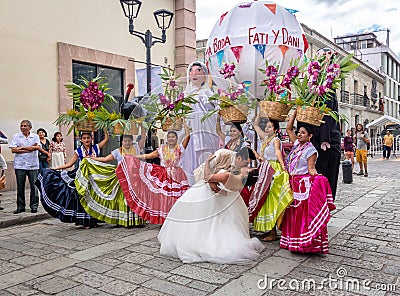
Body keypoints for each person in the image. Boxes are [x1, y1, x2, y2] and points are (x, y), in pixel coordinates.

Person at [158, 153, 264, 264]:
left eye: (248, 168)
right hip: (221, 198)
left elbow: (207, 177)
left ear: (246, 175)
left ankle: (194, 242)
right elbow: (225, 192)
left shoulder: (228, 176)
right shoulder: (240, 183)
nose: (246, 167)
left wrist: (208, 163)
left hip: (206, 193)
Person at [280, 110, 336, 254]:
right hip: (293, 183)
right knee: (292, 213)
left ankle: (306, 244)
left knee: (301, 215)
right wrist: (295, 113)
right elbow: (288, 129)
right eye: (299, 132)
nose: (299, 134)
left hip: (302, 185)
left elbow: (311, 169)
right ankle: (295, 242)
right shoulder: (298, 145)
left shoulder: (311, 150)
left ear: (310, 136)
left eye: (303, 133)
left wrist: (319, 178)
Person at [116, 124, 191, 224]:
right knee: (164, 198)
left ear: (176, 138)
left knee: (178, 198)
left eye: (173, 137)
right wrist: (134, 157)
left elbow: (187, 137)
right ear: (167, 139)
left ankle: (178, 219)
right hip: (165, 176)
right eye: (169, 137)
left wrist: (185, 124)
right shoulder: (161, 150)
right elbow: (148, 156)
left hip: (178, 175)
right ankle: (166, 220)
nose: (171, 138)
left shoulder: (180, 148)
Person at [36, 130, 109, 228]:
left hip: (95, 177)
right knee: (84, 199)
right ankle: (86, 221)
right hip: (82, 177)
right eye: (84, 138)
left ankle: (94, 219)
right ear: (81, 140)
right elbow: (70, 164)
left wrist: (105, 129)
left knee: (95, 198)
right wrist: (54, 169)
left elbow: (106, 139)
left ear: (91, 139)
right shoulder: (78, 151)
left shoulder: (96, 147)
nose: (86, 140)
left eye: (88, 138)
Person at [75, 130, 146, 227]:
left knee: (135, 199)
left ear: (132, 141)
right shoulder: (117, 151)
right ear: (121, 142)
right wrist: (91, 158)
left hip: (135, 179)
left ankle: (136, 221)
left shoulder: (136, 148)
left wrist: (143, 126)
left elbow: (143, 137)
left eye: (129, 141)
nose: (127, 143)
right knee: (123, 200)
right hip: (122, 179)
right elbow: (105, 159)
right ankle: (123, 221)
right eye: (125, 141)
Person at [297, 48, 342, 201]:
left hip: (328, 143)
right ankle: (315, 208)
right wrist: (302, 133)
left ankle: (324, 208)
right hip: (314, 142)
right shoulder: (311, 87)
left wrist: (325, 139)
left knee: (326, 179)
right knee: (314, 179)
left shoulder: (329, 87)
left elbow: (328, 115)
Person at [250, 114, 293, 242]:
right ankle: (270, 230)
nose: (267, 128)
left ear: (275, 130)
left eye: (270, 127)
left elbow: (278, 152)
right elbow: (256, 125)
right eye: (267, 127)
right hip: (265, 168)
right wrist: (261, 114)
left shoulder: (276, 140)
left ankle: (273, 231)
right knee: (265, 198)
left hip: (273, 168)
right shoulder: (266, 139)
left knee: (271, 198)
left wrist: (282, 165)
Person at [181, 61, 220, 185]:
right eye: (191, 71)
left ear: (204, 74)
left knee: (209, 161)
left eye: (198, 70)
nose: (194, 73)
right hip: (193, 136)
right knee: (194, 163)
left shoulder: (209, 93)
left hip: (208, 134)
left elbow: (217, 112)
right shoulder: (186, 95)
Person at [10, 120, 47, 214]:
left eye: (25, 126)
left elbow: (38, 147)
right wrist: (30, 148)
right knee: (20, 186)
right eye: (21, 126)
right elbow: (13, 150)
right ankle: (20, 206)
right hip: (20, 165)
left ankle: (34, 206)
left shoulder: (35, 137)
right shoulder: (16, 136)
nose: (23, 127)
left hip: (33, 164)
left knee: (34, 186)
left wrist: (20, 148)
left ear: (30, 127)